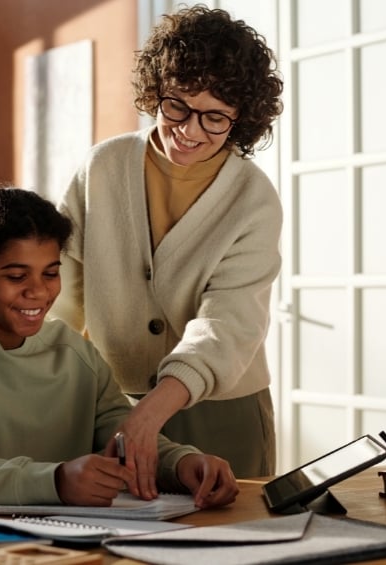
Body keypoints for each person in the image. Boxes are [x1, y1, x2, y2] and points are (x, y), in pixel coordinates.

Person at [0, 186, 239, 510]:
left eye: (50, 273)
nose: (37, 291)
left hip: (69, 545)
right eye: (17, 277)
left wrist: (182, 464)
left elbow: (122, 437)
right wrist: (53, 481)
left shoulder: (74, 353)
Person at [50, 5, 284, 487]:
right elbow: (59, 296)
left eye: (215, 117)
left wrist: (151, 412)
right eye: (177, 105)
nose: (190, 130)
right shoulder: (103, 167)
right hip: (109, 406)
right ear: (156, 90)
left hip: (222, 413)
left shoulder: (252, 197)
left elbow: (228, 322)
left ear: (241, 120)